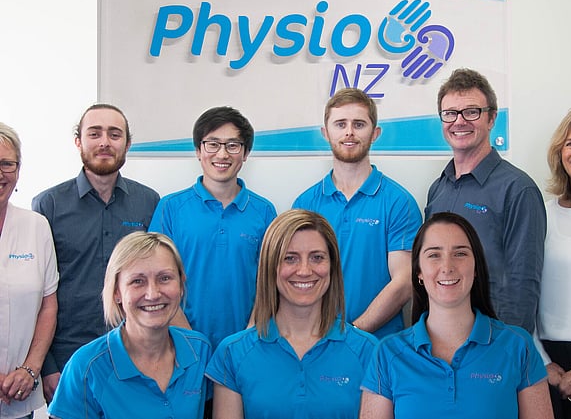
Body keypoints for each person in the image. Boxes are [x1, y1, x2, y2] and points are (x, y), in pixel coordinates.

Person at [359, 212, 553, 419]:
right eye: (434, 255)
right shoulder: (387, 353)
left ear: (476, 267)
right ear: (418, 272)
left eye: (460, 254)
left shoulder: (518, 346)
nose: (447, 267)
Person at [32, 103, 160, 402]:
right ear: (79, 141)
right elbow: (38, 292)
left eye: (114, 134)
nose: (104, 142)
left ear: (127, 144)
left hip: (135, 353)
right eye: (95, 133)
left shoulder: (149, 202)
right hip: (67, 357)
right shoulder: (48, 205)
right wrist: (47, 366)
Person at [206, 209, 377, 419]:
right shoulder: (232, 353)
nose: (304, 270)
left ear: (332, 266)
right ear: (270, 266)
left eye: (317, 257)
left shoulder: (369, 351)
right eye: (290, 258)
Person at [293, 88, 422, 338]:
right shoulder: (305, 204)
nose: (349, 132)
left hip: (378, 346)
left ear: (375, 134)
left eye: (359, 124)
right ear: (325, 133)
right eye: (340, 124)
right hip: (316, 342)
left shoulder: (398, 202)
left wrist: (353, 334)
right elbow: (296, 277)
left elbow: (404, 282)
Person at [424, 68, 546, 333]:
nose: (459, 121)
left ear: (491, 118)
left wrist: (510, 348)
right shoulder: (437, 190)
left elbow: (523, 283)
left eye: (471, 112)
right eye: (450, 113)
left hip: (493, 341)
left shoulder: (518, 190)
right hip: (440, 340)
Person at [149, 106, 277, 349]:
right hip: (180, 345)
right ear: (199, 151)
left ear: (246, 153)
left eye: (233, 145)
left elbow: (269, 284)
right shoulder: (170, 208)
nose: (222, 154)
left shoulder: (264, 211)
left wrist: (247, 340)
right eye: (213, 144)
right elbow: (156, 281)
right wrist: (191, 342)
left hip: (246, 346)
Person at [47, 231, 211, 419]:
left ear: (181, 285)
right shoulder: (86, 367)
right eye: (137, 281)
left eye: (165, 278)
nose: (153, 294)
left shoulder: (199, 350)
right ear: (116, 292)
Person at [535, 105, 571, 418]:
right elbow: (524, 292)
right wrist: (542, 362)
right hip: (546, 365)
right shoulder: (541, 214)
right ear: (560, 152)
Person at [0, 123, 59, 419]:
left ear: (18, 170)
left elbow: (48, 305)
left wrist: (31, 369)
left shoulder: (36, 226)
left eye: (6, 164)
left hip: (19, 390)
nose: (0, 173)